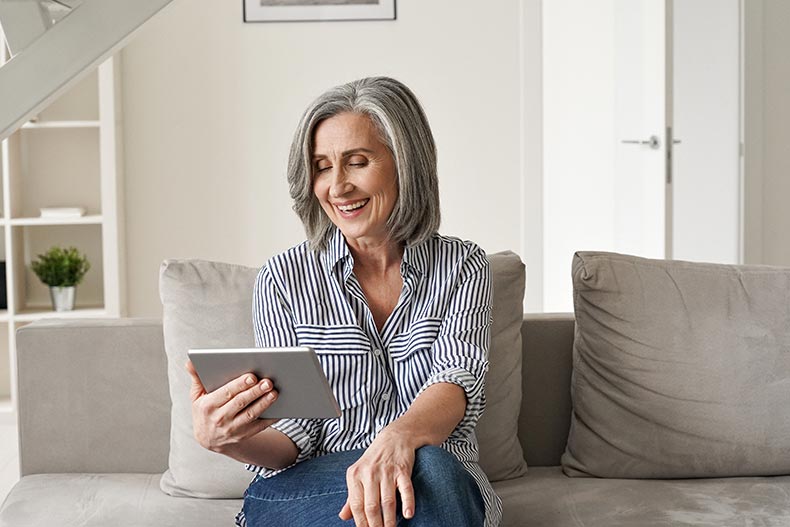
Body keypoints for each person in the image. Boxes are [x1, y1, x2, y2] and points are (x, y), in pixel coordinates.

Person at [186, 76, 502, 527]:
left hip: (435, 482)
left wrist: (398, 439)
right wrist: (224, 440)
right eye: (321, 166)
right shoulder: (284, 278)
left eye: (357, 162)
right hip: (314, 488)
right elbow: (292, 435)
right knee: (423, 488)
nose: (337, 187)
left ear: (404, 163)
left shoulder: (462, 265)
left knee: (428, 472)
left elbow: (456, 383)